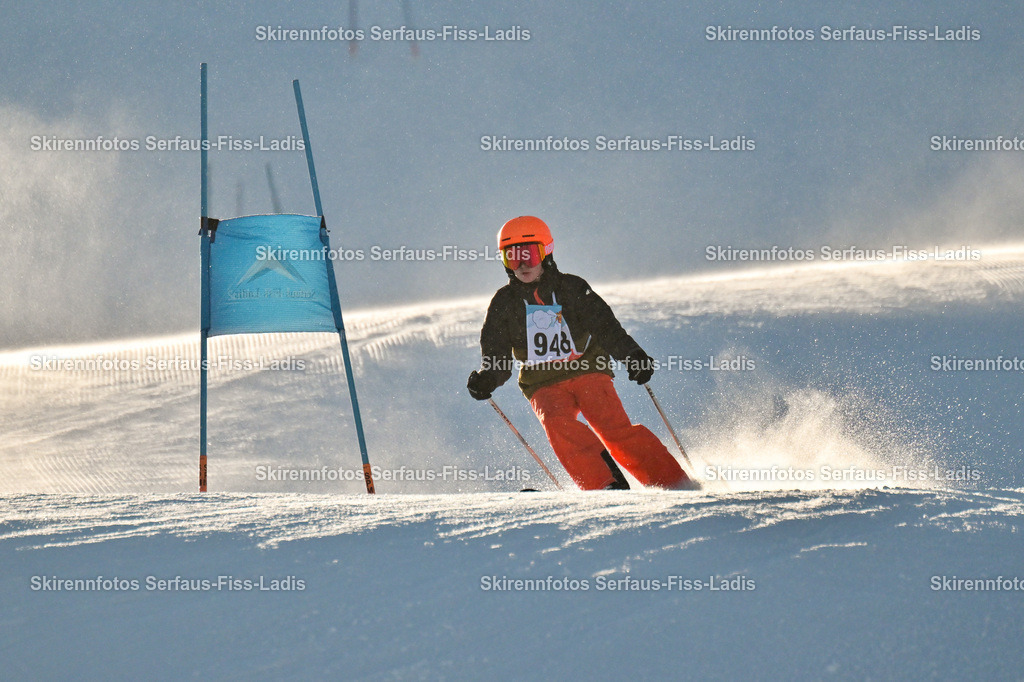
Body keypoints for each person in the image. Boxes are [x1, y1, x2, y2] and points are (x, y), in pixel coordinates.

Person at [467, 216, 696, 491]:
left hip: (588, 369)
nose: (522, 265)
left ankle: (672, 483)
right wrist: (488, 378)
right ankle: (605, 486)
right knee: (558, 425)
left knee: (612, 427)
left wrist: (632, 355)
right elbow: (497, 354)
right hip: (542, 381)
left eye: (529, 254)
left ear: (546, 253)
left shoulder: (572, 288)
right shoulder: (504, 303)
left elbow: (605, 327)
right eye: (512, 257)